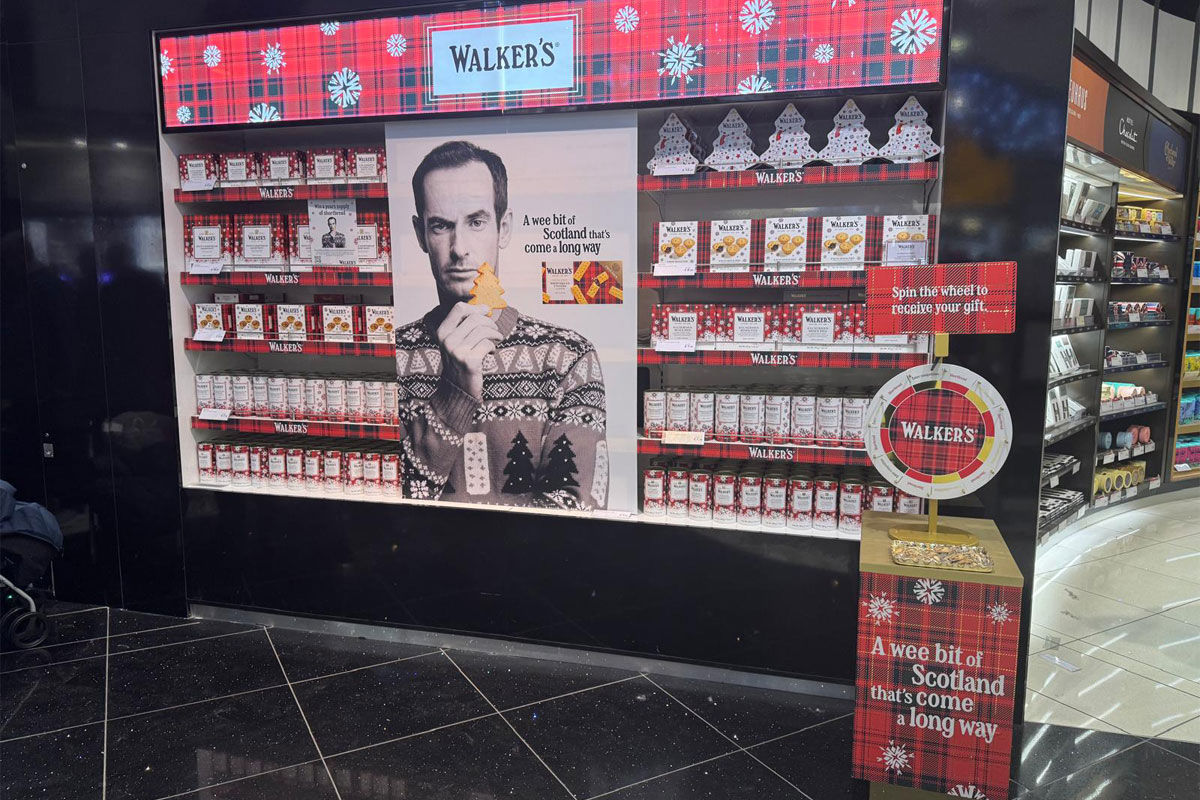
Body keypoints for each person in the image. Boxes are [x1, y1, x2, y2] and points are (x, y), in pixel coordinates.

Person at [394, 140, 608, 510]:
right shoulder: (394, 356)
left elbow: (576, 513)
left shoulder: (568, 358)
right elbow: (383, 504)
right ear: (420, 235)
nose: (460, 247)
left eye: (476, 222)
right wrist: (452, 397)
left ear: (503, 227)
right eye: (441, 226)